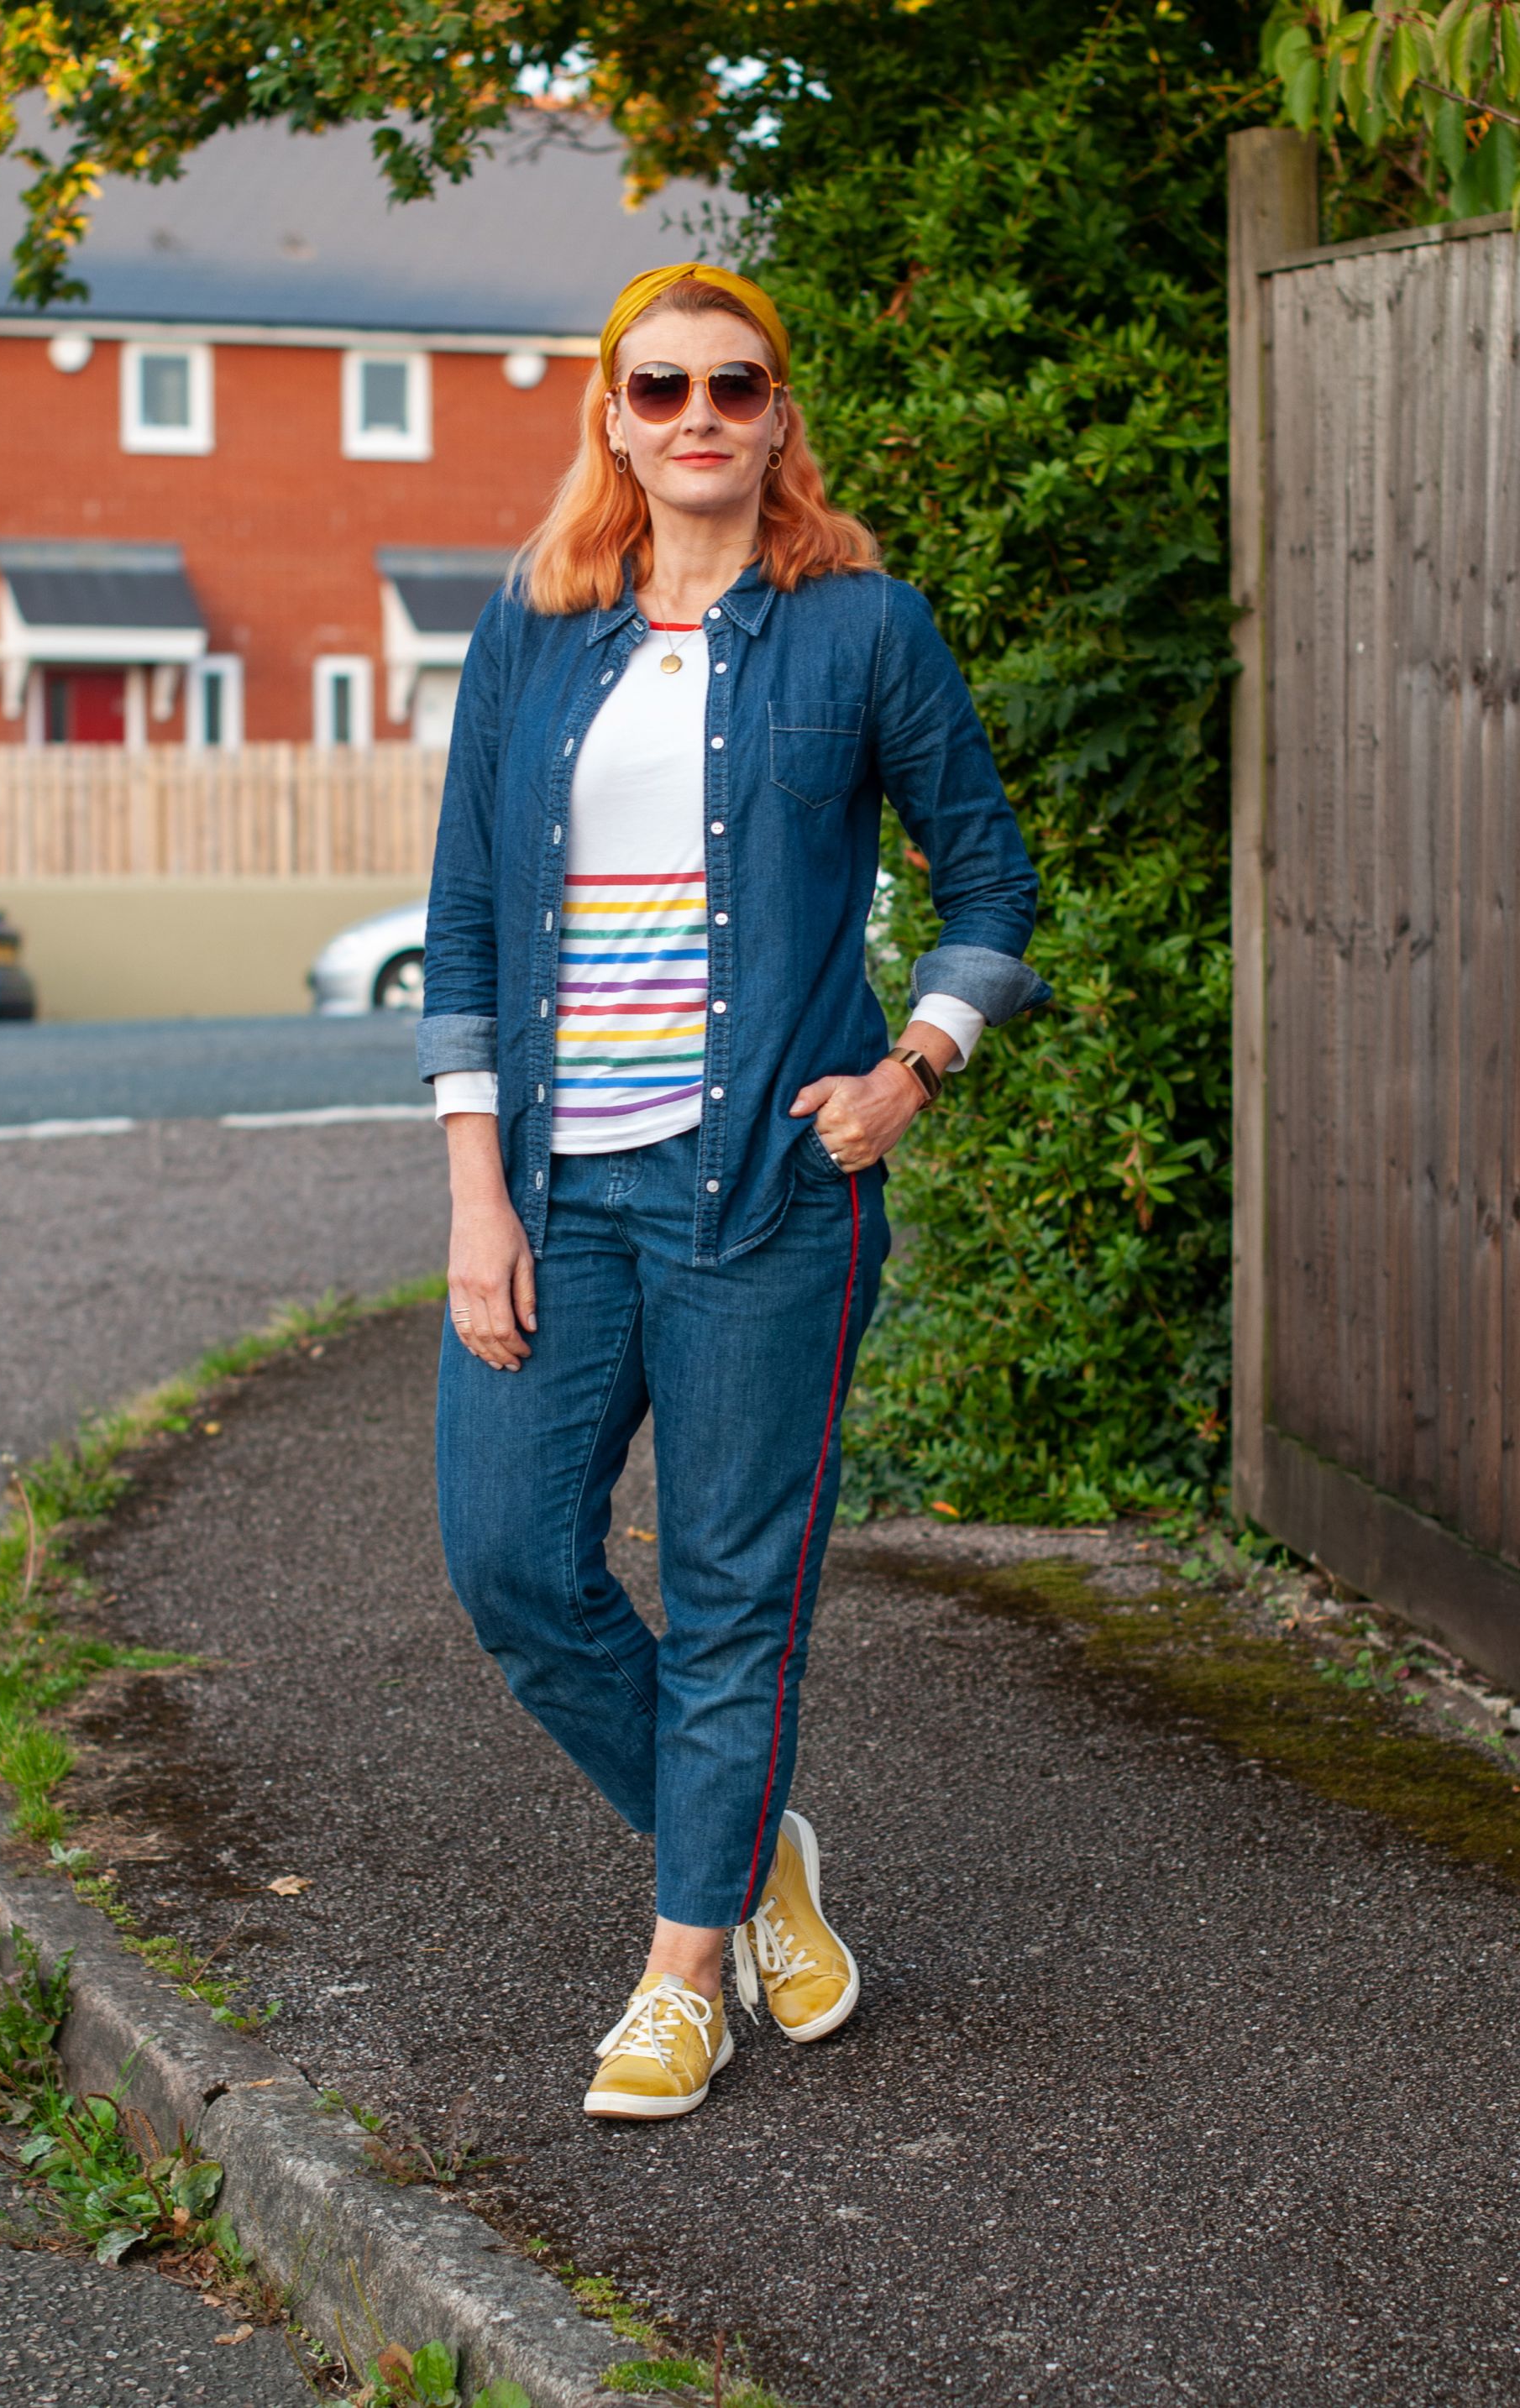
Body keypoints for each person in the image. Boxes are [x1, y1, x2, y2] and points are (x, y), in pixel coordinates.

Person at [418, 261, 1048, 2121]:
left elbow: (989, 887)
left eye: (736, 386)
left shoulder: (863, 630)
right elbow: (462, 924)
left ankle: (684, 1969)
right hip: (549, 1187)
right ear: (613, 415)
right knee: (516, 1565)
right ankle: (757, 1855)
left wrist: (914, 1071)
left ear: (779, 418)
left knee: (729, 1591)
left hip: (767, 1191)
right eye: (662, 386)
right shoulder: (532, 631)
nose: (699, 415)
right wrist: (473, 1192)